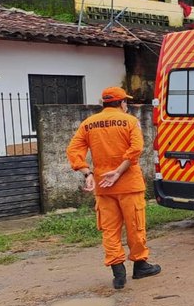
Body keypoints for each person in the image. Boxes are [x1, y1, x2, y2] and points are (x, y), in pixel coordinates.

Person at [66, 87, 161, 289]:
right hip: (129, 185)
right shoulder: (130, 121)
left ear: (105, 103)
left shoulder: (88, 124)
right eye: (126, 102)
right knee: (135, 227)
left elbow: (74, 150)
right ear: (122, 103)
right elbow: (135, 149)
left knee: (110, 230)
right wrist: (118, 172)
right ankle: (140, 266)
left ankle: (118, 274)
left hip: (103, 187)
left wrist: (87, 173)